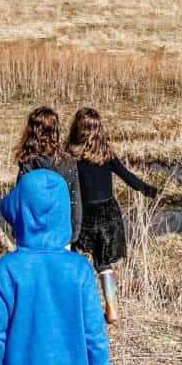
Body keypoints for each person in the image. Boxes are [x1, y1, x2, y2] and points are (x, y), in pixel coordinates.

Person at [0, 168, 110, 365]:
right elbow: (94, 330)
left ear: (19, 212)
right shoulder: (79, 268)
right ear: (64, 214)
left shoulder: (5, 269)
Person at [65, 106, 157, 324]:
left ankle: (77, 307)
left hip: (84, 213)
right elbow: (127, 176)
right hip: (108, 213)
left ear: (77, 127)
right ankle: (112, 310)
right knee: (103, 264)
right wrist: (148, 189)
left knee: (75, 258)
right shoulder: (106, 153)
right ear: (98, 129)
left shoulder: (70, 154)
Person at [14, 106, 82, 246]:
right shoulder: (67, 162)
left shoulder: (28, 163)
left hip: (34, 234)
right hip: (61, 233)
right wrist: (74, 233)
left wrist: (18, 231)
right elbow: (74, 200)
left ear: (32, 131)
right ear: (55, 131)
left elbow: (20, 203)